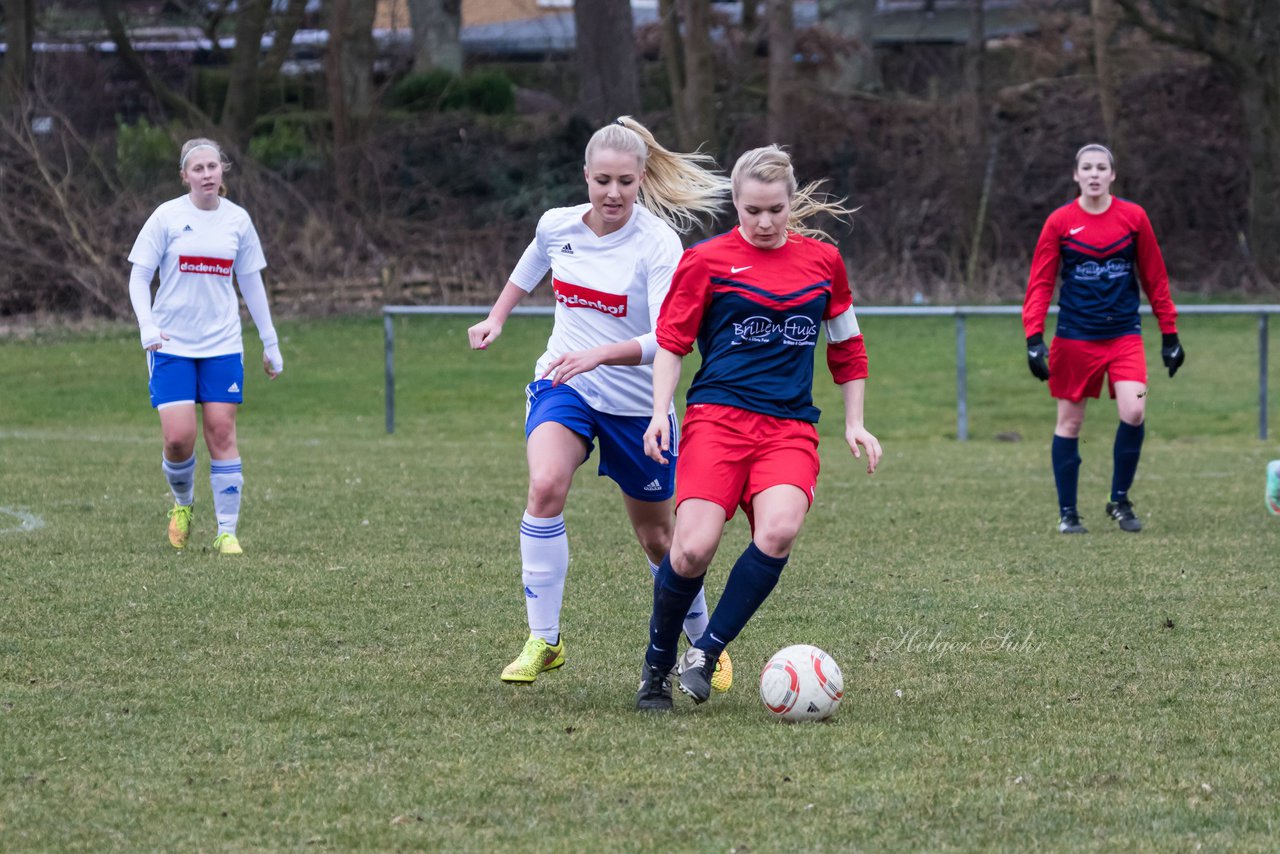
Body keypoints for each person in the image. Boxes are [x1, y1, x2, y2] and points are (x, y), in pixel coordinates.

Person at [467, 117, 735, 687]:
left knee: (660, 539)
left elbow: (669, 339)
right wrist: (497, 316)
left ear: (642, 180)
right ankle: (544, 640)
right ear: (584, 176)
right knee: (544, 487)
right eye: (602, 181)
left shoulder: (658, 244)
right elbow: (533, 261)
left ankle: (700, 642)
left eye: (626, 182)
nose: (613, 194)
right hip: (565, 385)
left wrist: (600, 355)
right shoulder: (557, 225)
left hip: (640, 407)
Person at [635, 145, 881, 711]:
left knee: (777, 531)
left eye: (775, 209)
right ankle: (656, 663)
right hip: (716, 422)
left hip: (788, 428)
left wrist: (855, 423)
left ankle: (707, 649)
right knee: (691, 550)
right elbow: (672, 344)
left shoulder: (823, 262)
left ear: (791, 203)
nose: (765, 222)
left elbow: (847, 345)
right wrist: (658, 413)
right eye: (752, 211)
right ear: (736, 207)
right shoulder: (705, 262)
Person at [127, 138, 283, 555]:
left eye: (213, 166)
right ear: (185, 176)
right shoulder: (167, 217)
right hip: (171, 344)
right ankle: (182, 505)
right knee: (179, 438)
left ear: (223, 170)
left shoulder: (238, 221)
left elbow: (252, 284)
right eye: (198, 168)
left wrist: (270, 342)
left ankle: (226, 531)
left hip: (222, 344)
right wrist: (147, 327)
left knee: (220, 431)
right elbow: (138, 278)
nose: (207, 174)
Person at [1022, 143, 1183, 535]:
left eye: (1101, 168)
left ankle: (1119, 499)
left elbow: (1155, 277)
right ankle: (1068, 513)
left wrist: (1169, 333)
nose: (1094, 174)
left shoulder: (1134, 217)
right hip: (1074, 338)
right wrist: (1033, 336)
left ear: (1112, 175)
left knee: (1135, 410)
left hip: (1125, 336)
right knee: (1070, 423)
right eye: (1086, 168)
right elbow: (1041, 282)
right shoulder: (1060, 222)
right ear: (1076, 176)